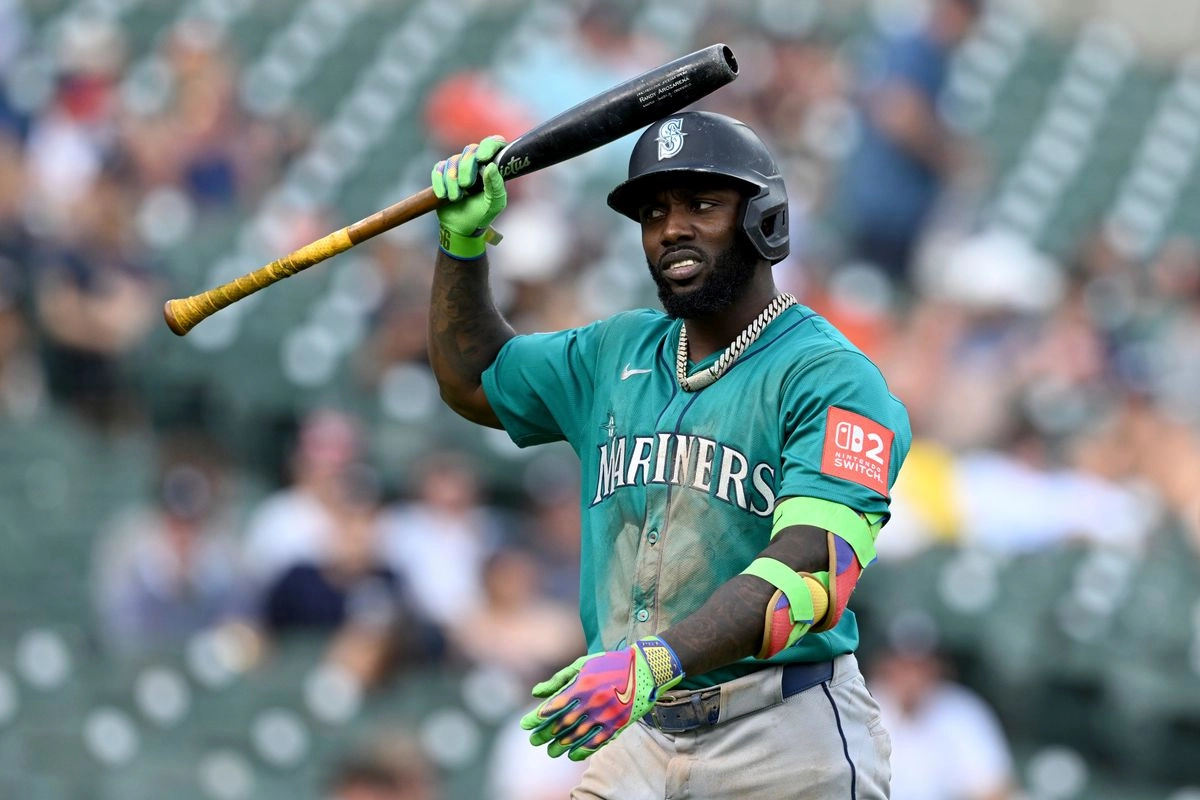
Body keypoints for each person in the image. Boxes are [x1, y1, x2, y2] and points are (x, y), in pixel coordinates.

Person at [426, 111, 912, 797]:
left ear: (764, 219)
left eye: (702, 204)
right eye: (654, 212)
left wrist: (656, 661)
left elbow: (812, 575)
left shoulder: (829, 376)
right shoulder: (615, 352)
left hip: (782, 737)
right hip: (644, 735)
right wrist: (462, 242)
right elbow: (472, 378)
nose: (672, 228)